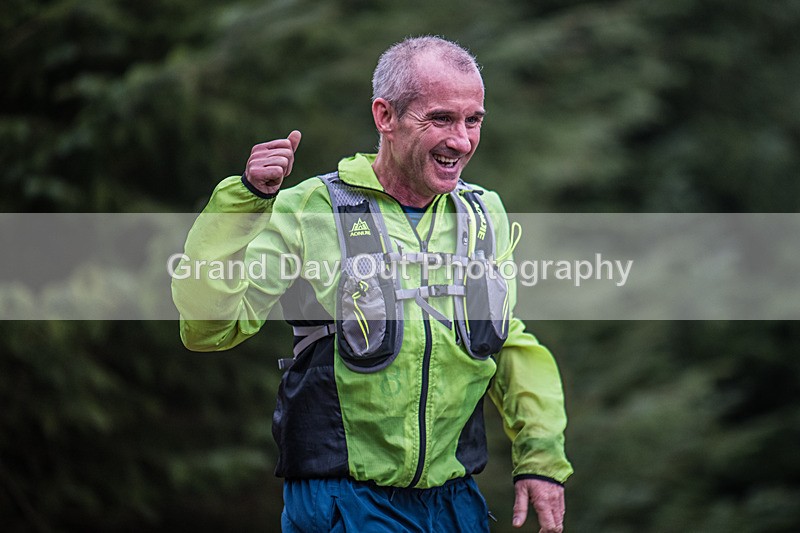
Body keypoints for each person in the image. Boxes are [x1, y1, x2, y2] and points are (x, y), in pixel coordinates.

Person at [173, 36, 572, 532]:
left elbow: (508, 344)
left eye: (474, 120)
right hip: (344, 501)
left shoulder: (483, 212)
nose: (463, 140)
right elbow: (208, 329)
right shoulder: (310, 208)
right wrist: (245, 201)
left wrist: (541, 459)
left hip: (454, 505)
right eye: (442, 119)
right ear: (385, 116)